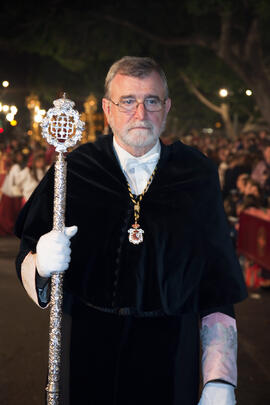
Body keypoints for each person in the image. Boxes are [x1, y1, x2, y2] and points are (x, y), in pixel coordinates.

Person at [15, 56, 247, 405]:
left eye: (151, 101)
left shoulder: (195, 175)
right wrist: (41, 266)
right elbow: (25, 254)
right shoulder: (74, 171)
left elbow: (216, 286)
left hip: (172, 351)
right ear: (108, 109)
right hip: (88, 349)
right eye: (128, 101)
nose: (140, 114)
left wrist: (220, 378)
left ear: (166, 108)